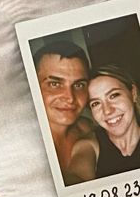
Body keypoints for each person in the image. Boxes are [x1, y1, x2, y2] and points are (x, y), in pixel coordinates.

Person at [71, 65, 140, 180]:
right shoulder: (88, 146)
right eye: (95, 103)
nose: (107, 110)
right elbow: (76, 176)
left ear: (133, 93)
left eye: (113, 95)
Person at [33, 41, 96, 184]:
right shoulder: (23, 146)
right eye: (54, 84)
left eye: (79, 85)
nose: (70, 97)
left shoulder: (89, 130)